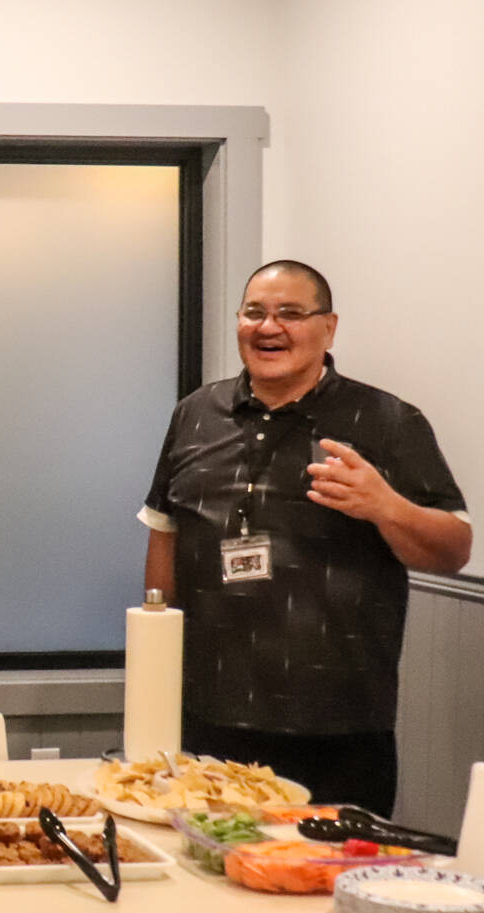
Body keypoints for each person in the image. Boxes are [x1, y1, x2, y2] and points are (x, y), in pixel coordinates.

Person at [140, 261, 470, 814]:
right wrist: (155, 678)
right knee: (207, 884)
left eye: (291, 314)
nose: (270, 327)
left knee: (325, 893)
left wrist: (384, 505)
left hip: (337, 731)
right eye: (255, 313)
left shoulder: (386, 420)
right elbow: (164, 534)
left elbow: (455, 549)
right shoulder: (195, 414)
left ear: (329, 327)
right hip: (208, 723)